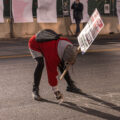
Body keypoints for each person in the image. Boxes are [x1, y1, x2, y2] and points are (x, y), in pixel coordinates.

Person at [28, 29, 82, 102]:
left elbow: (72, 52)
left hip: (50, 45)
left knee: (62, 63)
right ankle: (35, 90)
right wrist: (56, 91)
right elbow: (51, 73)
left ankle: (70, 86)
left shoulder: (68, 44)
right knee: (40, 64)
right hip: (35, 44)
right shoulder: (52, 56)